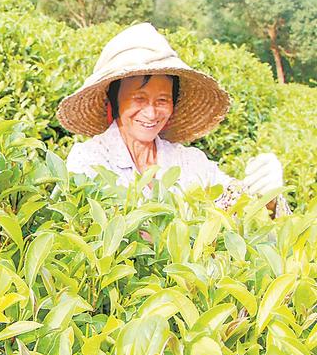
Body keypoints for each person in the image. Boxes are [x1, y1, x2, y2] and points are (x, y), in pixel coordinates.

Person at [56, 23, 288, 214]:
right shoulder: (89, 159)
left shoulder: (189, 162)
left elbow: (238, 204)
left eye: (162, 100)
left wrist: (268, 199)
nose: (151, 113)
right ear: (114, 99)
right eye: (139, 98)